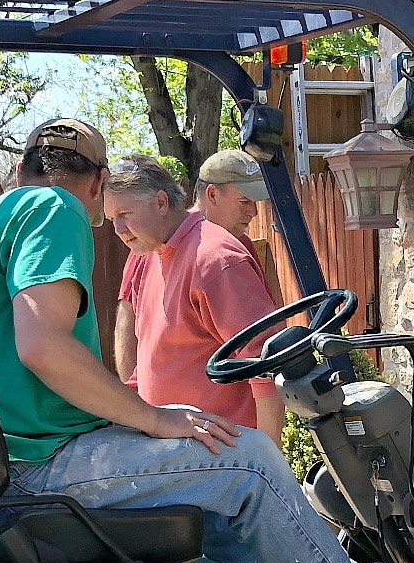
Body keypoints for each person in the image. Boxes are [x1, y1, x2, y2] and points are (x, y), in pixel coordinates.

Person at [0, 122, 414, 563]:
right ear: (99, 184)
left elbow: (256, 360)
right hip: (42, 463)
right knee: (250, 461)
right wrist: (152, 419)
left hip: (22, 452)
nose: (116, 225)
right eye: (112, 210)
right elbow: (43, 346)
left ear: (18, 166)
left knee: (224, 465)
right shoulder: (54, 208)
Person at [108, 153, 283, 438]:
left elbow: (263, 367)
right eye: (112, 218)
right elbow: (149, 354)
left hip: (220, 456)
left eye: (124, 215)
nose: (117, 229)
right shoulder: (150, 252)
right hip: (172, 449)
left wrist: (269, 460)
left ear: (162, 202)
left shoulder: (216, 258)